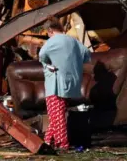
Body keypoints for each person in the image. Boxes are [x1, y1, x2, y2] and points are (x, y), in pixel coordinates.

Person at [38, 17, 91, 151]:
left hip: (55, 83)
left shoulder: (52, 42)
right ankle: (48, 141)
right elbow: (86, 54)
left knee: (57, 116)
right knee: (56, 115)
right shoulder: (73, 41)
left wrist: (49, 63)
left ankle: (62, 144)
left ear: (50, 30)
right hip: (71, 83)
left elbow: (41, 54)